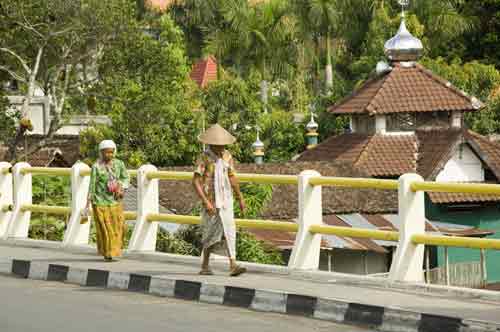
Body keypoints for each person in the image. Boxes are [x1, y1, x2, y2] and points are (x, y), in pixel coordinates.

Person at [193, 124, 247, 277]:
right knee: (211, 233)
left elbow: (232, 177)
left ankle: (233, 263)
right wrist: (206, 202)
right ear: (212, 144)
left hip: (226, 198)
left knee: (230, 229)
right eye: (219, 145)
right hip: (211, 199)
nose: (222, 147)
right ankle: (205, 265)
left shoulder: (227, 156)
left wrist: (240, 197)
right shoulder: (204, 157)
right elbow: (196, 181)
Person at [87, 140, 129, 262]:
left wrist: (121, 187)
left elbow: (125, 177)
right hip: (100, 202)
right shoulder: (96, 166)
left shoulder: (119, 164)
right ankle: (108, 252)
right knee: (106, 229)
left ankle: (115, 250)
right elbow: (92, 184)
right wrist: (88, 201)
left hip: (115, 201)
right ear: (101, 153)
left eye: (111, 152)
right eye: (106, 153)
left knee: (119, 226)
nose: (108, 155)